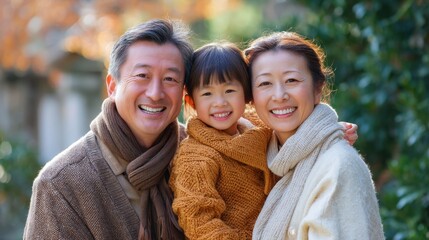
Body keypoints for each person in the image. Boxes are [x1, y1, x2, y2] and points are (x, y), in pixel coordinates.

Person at [169, 42, 359, 239]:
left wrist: (325, 131)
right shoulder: (195, 157)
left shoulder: (259, 128)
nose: (220, 103)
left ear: (247, 94)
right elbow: (198, 221)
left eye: (229, 91)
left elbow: (295, 140)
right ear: (191, 101)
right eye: (207, 94)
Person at [24, 19, 193, 240]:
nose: (155, 93)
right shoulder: (61, 184)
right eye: (142, 75)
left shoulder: (199, 154)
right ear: (112, 86)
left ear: (182, 92)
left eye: (170, 79)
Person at [244, 31, 384, 239]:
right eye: (265, 83)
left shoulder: (337, 166)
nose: (279, 95)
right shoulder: (268, 164)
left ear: (318, 89)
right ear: (251, 99)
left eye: (291, 80)